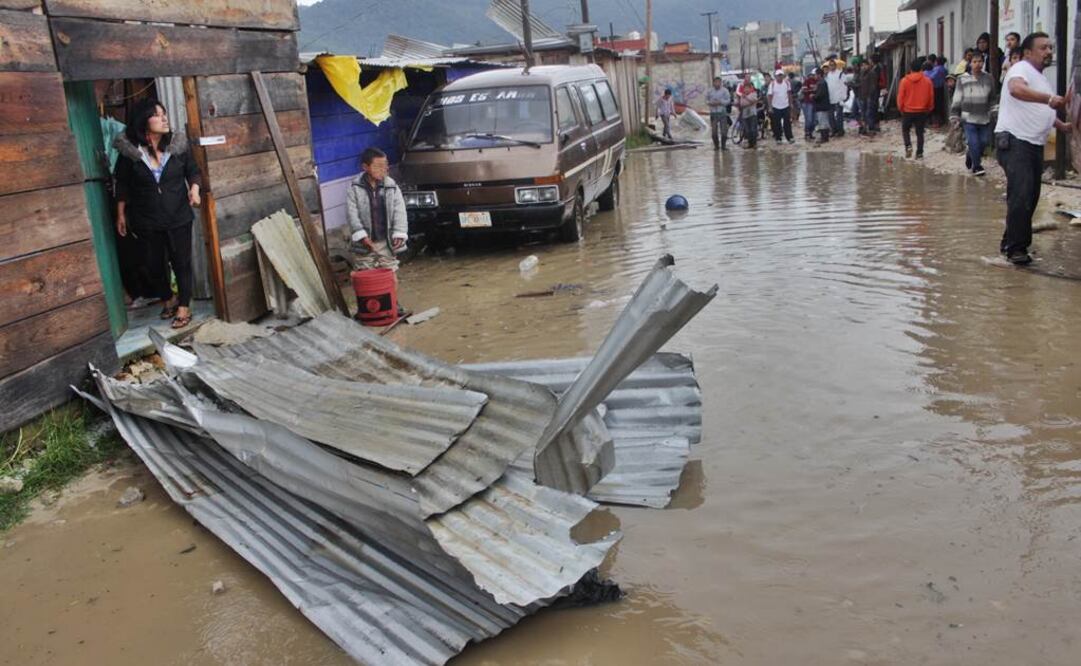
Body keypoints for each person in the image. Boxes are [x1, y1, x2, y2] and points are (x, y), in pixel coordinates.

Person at [113, 98, 201, 329]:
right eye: (157, 115)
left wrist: (194, 189)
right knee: (153, 264)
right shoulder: (130, 152)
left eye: (164, 114)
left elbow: (193, 171)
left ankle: (183, 306)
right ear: (144, 121)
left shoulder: (177, 146)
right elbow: (121, 183)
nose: (164, 119)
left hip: (178, 215)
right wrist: (120, 214)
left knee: (181, 262)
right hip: (146, 219)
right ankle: (167, 298)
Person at [994, 32, 1071, 265]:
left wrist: (1061, 125)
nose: (1049, 52)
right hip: (1016, 141)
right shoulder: (1020, 70)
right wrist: (1049, 100)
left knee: (1030, 196)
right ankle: (1016, 251)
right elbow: (1017, 90)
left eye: (1050, 47)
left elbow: (1040, 110)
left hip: (1032, 143)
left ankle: (1012, 243)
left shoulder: (1040, 77)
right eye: (1043, 48)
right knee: (1022, 196)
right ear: (1027, 52)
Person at [346, 147, 410, 312]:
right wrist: (361, 236)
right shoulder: (354, 188)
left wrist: (399, 233)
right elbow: (352, 215)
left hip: (385, 240)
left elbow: (399, 211)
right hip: (364, 241)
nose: (383, 170)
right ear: (365, 167)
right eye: (378, 166)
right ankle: (370, 308)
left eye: (385, 166)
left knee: (389, 272)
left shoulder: (391, 186)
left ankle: (393, 303)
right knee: (365, 274)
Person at [950, 52, 997, 176]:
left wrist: (994, 111)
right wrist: (954, 115)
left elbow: (992, 97)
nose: (977, 64)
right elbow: (957, 97)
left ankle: (970, 154)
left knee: (984, 142)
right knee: (974, 142)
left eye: (980, 61)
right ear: (970, 64)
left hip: (984, 116)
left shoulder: (989, 78)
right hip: (968, 117)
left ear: (983, 63)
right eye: (974, 62)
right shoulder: (962, 79)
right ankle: (977, 166)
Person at [898, 59, 934, 158]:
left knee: (905, 130)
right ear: (921, 68)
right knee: (920, 132)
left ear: (910, 68)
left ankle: (908, 146)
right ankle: (919, 152)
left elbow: (900, 97)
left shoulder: (904, 81)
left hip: (907, 111)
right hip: (922, 111)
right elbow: (931, 96)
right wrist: (929, 108)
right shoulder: (928, 81)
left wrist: (901, 108)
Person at [767, 69, 794, 144]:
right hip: (776, 106)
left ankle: (790, 137)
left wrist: (791, 103)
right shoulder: (772, 84)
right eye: (778, 76)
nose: (780, 77)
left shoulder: (786, 83)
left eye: (781, 75)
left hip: (785, 105)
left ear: (783, 76)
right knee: (777, 124)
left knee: (787, 123)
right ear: (775, 76)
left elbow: (789, 94)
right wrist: (770, 107)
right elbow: (769, 96)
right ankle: (778, 138)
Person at [706, 76, 731, 150]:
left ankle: (723, 146)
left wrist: (721, 102)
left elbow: (728, 100)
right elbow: (706, 100)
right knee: (714, 132)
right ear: (713, 83)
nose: (717, 83)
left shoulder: (725, 91)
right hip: (713, 113)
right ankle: (716, 146)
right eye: (715, 82)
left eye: (719, 82)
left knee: (724, 131)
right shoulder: (709, 91)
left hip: (722, 113)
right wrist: (711, 103)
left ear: (721, 83)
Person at [856, 59, 880, 135]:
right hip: (863, 96)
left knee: (869, 113)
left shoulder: (872, 73)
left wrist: (870, 94)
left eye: (865, 65)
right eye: (862, 65)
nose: (863, 67)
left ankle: (871, 128)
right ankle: (865, 128)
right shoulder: (862, 73)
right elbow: (860, 84)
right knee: (863, 113)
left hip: (870, 96)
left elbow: (873, 85)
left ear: (868, 65)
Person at [825, 59, 847, 136]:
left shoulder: (840, 74)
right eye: (830, 65)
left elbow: (844, 86)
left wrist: (843, 98)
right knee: (830, 116)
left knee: (839, 116)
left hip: (839, 98)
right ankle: (834, 130)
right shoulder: (828, 75)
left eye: (833, 65)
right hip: (830, 98)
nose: (831, 66)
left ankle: (840, 130)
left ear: (835, 65)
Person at [737, 73, 759, 148]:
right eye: (745, 89)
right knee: (747, 130)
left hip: (753, 114)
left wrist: (747, 98)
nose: (746, 90)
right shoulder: (741, 93)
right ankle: (750, 144)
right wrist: (750, 102)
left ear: (750, 88)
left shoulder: (753, 93)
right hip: (745, 115)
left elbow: (755, 100)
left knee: (753, 129)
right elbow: (742, 104)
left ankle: (754, 143)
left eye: (748, 88)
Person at [925, 55, 948, 126]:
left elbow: (931, 77)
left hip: (935, 89)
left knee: (934, 105)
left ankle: (935, 122)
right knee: (940, 104)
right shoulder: (944, 69)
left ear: (937, 62)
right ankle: (940, 121)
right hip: (941, 88)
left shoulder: (937, 69)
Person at [813, 66, 833, 145]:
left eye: (815, 75)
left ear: (819, 75)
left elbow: (819, 95)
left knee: (823, 122)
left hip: (821, 106)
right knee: (824, 122)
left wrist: (813, 96)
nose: (815, 76)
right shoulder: (821, 83)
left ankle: (824, 138)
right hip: (822, 106)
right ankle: (825, 137)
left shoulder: (821, 83)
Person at [801, 67, 820, 141]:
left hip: (815, 103)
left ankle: (811, 133)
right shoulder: (807, 81)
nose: (815, 76)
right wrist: (812, 90)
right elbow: (804, 90)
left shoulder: (818, 82)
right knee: (809, 119)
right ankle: (807, 133)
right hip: (807, 102)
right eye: (814, 74)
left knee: (815, 120)